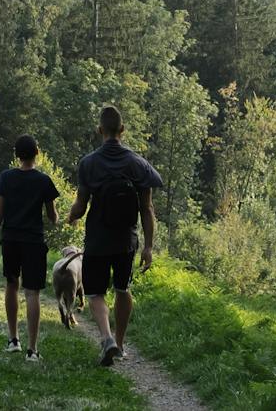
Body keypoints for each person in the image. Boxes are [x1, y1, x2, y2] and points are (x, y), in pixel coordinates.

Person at [65, 105, 163, 366]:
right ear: (123, 130)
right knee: (123, 289)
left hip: (97, 239)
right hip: (126, 240)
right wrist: (149, 247)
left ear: (100, 130)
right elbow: (147, 208)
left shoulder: (88, 164)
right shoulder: (139, 165)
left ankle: (106, 338)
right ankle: (119, 344)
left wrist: (71, 215)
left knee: (96, 293)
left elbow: (81, 205)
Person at [0, 133, 60, 362]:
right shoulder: (44, 181)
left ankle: (13, 339)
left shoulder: (6, 178)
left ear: (17, 155)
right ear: (37, 153)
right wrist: (59, 217)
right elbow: (52, 216)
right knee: (32, 293)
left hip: (11, 239)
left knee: (11, 285)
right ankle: (33, 350)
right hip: (34, 241)